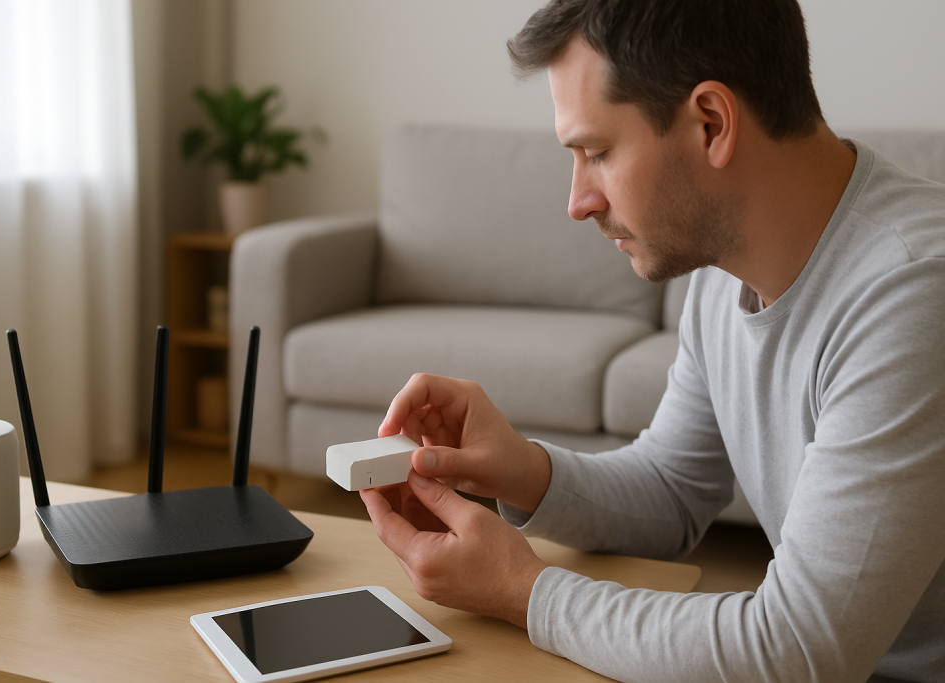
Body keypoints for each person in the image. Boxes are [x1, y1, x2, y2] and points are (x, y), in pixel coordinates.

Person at [359, 0, 945, 681]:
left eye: (597, 152)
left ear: (710, 123)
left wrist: (523, 590)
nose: (577, 200)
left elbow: (796, 649)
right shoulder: (725, 270)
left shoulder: (911, 293)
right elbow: (673, 488)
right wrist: (521, 467)